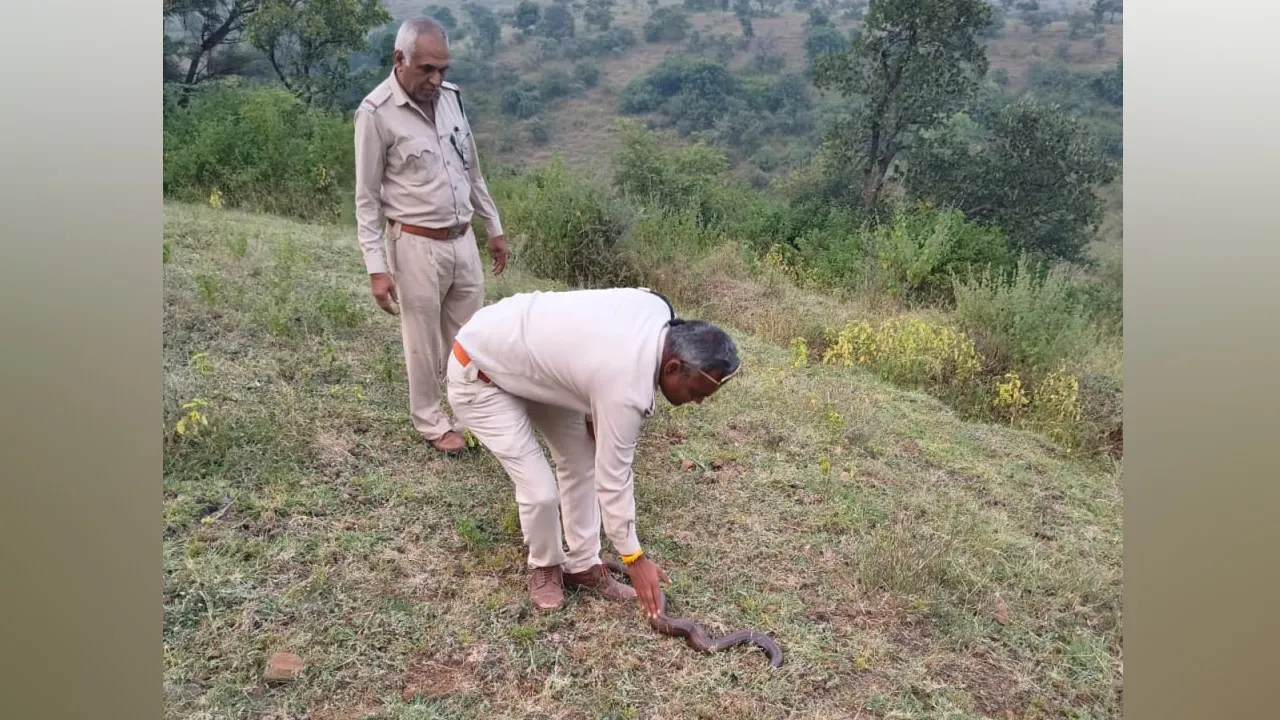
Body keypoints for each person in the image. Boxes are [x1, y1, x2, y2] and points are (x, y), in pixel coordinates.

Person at [446, 287, 741, 618]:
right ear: (672, 368)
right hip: (481, 372)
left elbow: (590, 347)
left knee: (582, 459)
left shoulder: (657, 308)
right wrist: (634, 558)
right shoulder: (625, 386)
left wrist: (591, 412)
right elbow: (614, 479)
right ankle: (545, 565)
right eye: (696, 392)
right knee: (540, 491)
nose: (698, 401)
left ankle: (583, 565)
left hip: (537, 368)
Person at [353, 16, 509, 455]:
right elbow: (366, 199)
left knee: (469, 336)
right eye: (426, 69)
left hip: (462, 240)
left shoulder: (452, 101)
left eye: (443, 69)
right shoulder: (375, 114)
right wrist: (376, 268)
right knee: (421, 339)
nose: (436, 79)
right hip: (414, 244)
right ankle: (431, 422)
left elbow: (472, 170)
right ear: (399, 60)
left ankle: (470, 415)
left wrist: (492, 226)